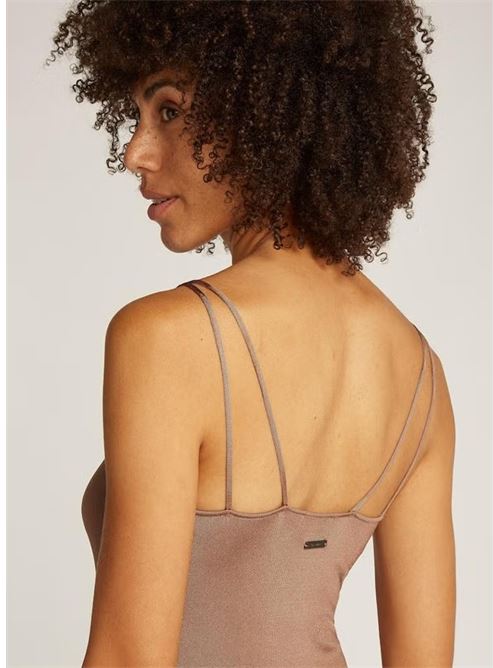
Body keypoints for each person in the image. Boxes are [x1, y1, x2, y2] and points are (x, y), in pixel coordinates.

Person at [47, 1, 456, 666]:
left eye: (169, 111)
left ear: (262, 110)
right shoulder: (420, 376)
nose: (134, 152)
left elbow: (127, 656)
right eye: (136, 116)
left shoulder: (165, 337)